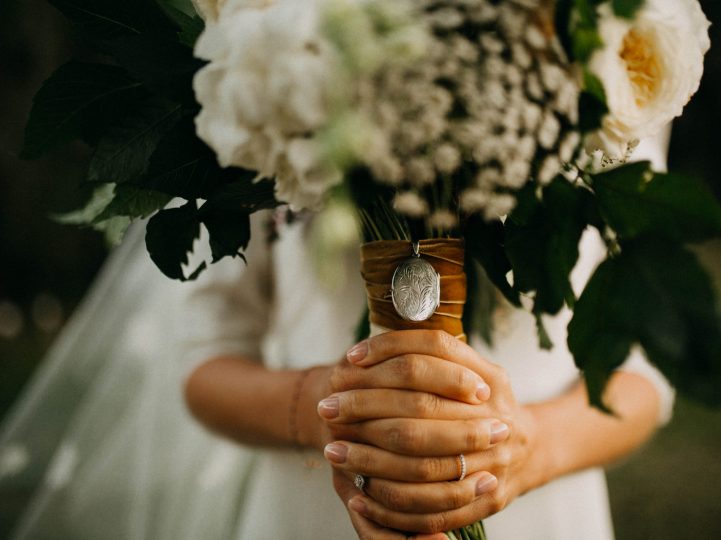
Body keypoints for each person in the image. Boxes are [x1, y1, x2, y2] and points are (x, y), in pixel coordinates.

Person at [0, 128, 673, 540]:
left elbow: (644, 372)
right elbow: (203, 362)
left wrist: (527, 449)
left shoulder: (606, 60)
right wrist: (339, 414)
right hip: (311, 517)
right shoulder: (270, 62)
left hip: (543, 515)